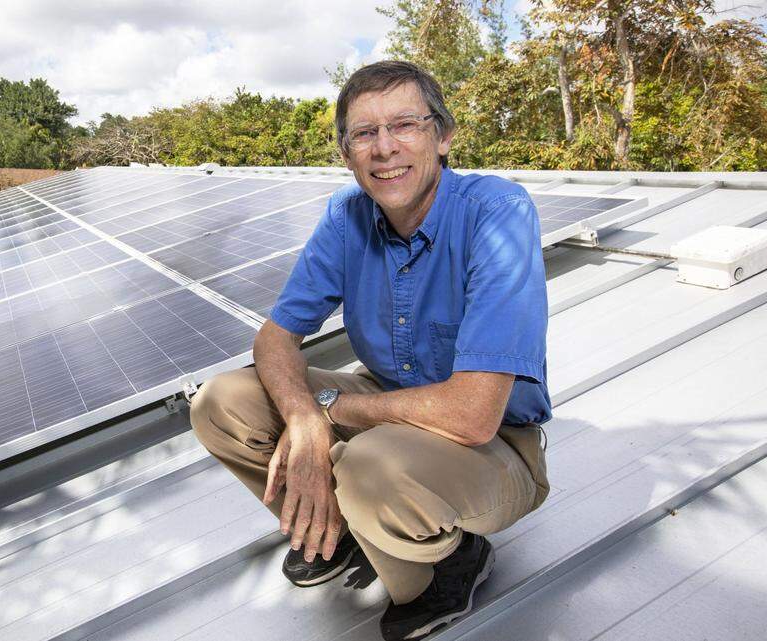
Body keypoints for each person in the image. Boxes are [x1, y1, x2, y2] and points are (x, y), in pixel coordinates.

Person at [190, 60, 552, 641]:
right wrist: (305, 417)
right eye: (364, 133)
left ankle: (449, 566)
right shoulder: (348, 214)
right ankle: (331, 532)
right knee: (220, 402)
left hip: (493, 447)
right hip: (390, 405)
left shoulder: (496, 212)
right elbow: (275, 337)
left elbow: (473, 413)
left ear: (443, 135)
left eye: (405, 125)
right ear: (346, 152)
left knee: (368, 466)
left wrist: (328, 410)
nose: (385, 149)